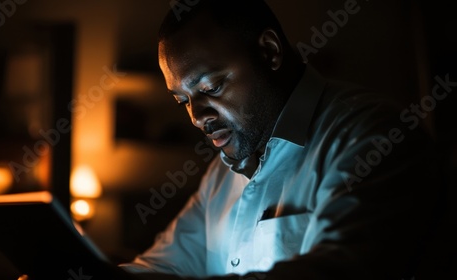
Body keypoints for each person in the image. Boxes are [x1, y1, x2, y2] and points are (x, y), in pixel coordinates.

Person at [120, 0, 446, 279]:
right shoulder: (221, 176)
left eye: (211, 89)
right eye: (183, 100)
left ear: (269, 51)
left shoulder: (375, 137)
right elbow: (164, 265)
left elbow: (338, 272)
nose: (196, 116)